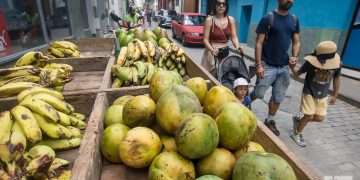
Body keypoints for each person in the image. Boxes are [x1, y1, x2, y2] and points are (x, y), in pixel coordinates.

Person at [250, 0, 301, 136]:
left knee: (278, 97)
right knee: (259, 93)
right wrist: (258, 65)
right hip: (267, 65)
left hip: (284, 67)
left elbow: (296, 41)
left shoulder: (294, 20)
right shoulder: (268, 18)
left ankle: (270, 120)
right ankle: (245, 102)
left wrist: (295, 56)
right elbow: (259, 43)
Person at [289, 41, 341, 147]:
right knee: (308, 115)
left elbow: (337, 79)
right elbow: (297, 74)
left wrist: (335, 95)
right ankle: (296, 134)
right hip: (309, 92)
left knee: (320, 118)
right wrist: (291, 67)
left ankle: (298, 120)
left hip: (323, 95)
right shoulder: (311, 62)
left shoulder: (337, 64)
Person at [201, 0, 244, 73]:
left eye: (223, 4)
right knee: (210, 77)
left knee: (223, 77)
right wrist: (212, 50)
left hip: (224, 53)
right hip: (211, 52)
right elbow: (205, 40)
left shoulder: (231, 20)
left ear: (226, 6)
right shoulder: (209, 20)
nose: (221, 6)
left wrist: (238, 47)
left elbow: (234, 37)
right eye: (218, 3)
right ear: (215, 5)